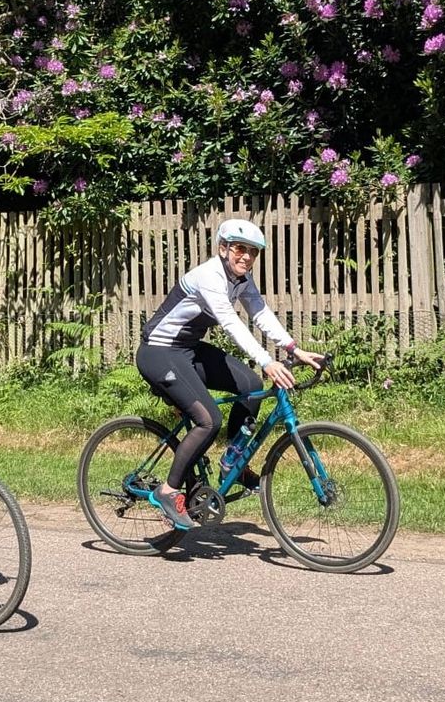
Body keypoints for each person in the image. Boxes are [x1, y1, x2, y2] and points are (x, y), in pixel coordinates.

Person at [137, 218, 323, 530]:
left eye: (253, 252)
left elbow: (260, 312)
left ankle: (232, 462)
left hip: (189, 349)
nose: (246, 257)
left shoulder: (241, 280)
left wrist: (293, 349)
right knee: (209, 420)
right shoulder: (209, 276)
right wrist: (267, 361)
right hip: (159, 352)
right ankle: (168, 491)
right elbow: (231, 323)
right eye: (240, 249)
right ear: (223, 248)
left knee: (250, 385)